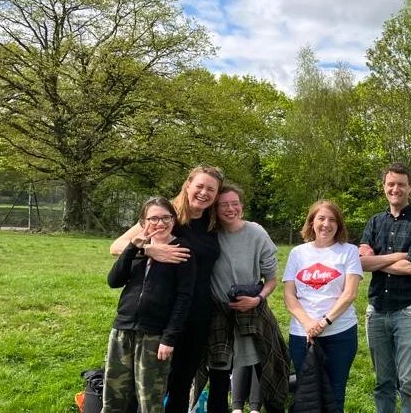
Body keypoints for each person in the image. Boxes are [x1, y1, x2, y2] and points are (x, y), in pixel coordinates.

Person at [111, 165, 223, 413]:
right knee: (148, 385)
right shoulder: (166, 216)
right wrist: (150, 249)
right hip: (162, 316)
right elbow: (117, 246)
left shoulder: (213, 222)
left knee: (182, 384)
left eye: (211, 190)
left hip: (198, 313)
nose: (204, 193)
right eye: (200, 186)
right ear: (187, 185)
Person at [103, 197, 196, 413]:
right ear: (143, 223)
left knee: (150, 400)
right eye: (153, 219)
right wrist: (133, 248)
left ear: (173, 220)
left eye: (166, 218)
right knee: (114, 397)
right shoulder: (138, 249)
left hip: (155, 335)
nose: (160, 223)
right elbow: (114, 281)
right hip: (122, 330)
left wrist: (169, 338)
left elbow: (184, 298)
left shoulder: (181, 250)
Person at [207, 184, 289, 413]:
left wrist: (258, 299)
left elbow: (271, 279)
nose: (230, 209)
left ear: (242, 206)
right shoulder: (209, 233)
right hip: (219, 315)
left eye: (235, 203)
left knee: (270, 366)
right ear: (215, 208)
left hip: (252, 309)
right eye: (223, 205)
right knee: (218, 376)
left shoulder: (256, 233)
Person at [359, 162, 411, 413]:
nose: (395, 188)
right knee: (383, 383)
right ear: (384, 187)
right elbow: (361, 263)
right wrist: (396, 256)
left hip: (408, 312)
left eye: (401, 184)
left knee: (410, 383)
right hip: (377, 310)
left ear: (409, 187)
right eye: (391, 184)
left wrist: (377, 261)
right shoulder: (374, 222)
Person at [284, 199, 364, 413]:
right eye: (321, 218)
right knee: (307, 394)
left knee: (334, 395)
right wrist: (309, 323)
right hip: (302, 334)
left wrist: (323, 322)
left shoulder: (349, 251)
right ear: (311, 222)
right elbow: (290, 296)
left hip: (340, 334)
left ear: (339, 225)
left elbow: (349, 294)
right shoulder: (297, 253)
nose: (326, 224)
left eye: (332, 220)